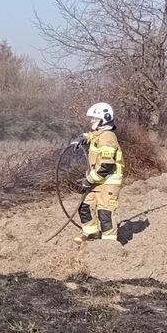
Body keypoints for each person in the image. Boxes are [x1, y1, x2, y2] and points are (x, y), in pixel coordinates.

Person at [71, 102, 125, 244]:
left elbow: (106, 166)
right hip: (98, 181)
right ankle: (91, 234)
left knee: (105, 213)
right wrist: (81, 138)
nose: (91, 121)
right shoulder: (99, 134)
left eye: (94, 118)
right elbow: (92, 136)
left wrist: (87, 181)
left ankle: (108, 245)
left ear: (104, 119)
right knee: (85, 207)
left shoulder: (108, 137)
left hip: (108, 182)